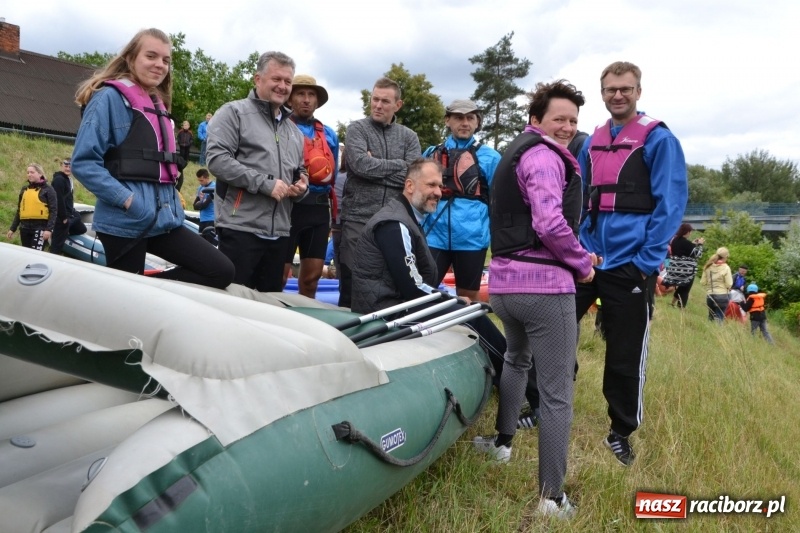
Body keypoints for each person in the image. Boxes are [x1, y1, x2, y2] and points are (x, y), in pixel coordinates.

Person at [472, 80, 598, 519]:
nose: (566, 127)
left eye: (573, 121)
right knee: (557, 392)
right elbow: (548, 223)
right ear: (537, 119)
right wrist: (582, 263)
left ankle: (502, 444)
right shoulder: (545, 156)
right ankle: (552, 498)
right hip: (544, 291)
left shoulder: (515, 151)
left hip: (505, 286)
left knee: (516, 361)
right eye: (558, 118)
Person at [574, 61, 688, 466]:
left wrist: (646, 262)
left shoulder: (658, 140)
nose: (617, 95)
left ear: (638, 91)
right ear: (602, 93)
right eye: (610, 90)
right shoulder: (593, 140)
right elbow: (584, 196)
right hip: (588, 259)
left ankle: (620, 431)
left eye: (625, 89)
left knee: (624, 352)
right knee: (552, 330)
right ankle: (539, 404)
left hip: (630, 265)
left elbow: (671, 205)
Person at [71, 28, 234, 289]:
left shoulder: (156, 103)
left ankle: (147, 288)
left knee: (221, 271)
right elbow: (83, 163)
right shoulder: (108, 99)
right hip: (125, 222)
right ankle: (133, 289)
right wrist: (128, 201)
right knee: (128, 304)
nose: (160, 65)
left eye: (166, 60)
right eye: (151, 56)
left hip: (165, 221)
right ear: (130, 58)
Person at [350, 158, 506, 367]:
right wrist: (455, 301)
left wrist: (454, 300)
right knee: (470, 316)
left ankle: (510, 373)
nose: (439, 192)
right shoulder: (395, 224)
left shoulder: (408, 218)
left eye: (441, 186)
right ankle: (521, 378)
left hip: (398, 306)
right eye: (431, 185)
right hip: (386, 314)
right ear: (409, 185)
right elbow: (412, 287)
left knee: (472, 309)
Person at [206, 51, 308, 292]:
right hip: (241, 228)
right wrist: (265, 184)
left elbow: (300, 170)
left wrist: (302, 185)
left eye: (287, 81)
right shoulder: (233, 113)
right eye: (276, 79)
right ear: (258, 79)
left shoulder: (295, 133)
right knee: (231, 302)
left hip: (280, 234)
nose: (282, 86)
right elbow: (217, 160)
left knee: (267, 308)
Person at [338, 77, 422, 307]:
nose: (377, 105)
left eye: (385, 101)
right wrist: (399, 164)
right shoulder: (357, 129)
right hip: (358, 218)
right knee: (353, 283)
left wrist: (377, 164)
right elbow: (361, 166)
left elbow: (413, 177)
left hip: (393, 221)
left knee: (391, 281)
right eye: (375, 99)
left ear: (398, 105)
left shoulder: (409, 136)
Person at [422, 99, 500, 301]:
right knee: (422, 292)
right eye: (458, 117)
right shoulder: (430, 154)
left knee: (468, 296)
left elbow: (499, 202)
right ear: (448, 120)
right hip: (434, 236)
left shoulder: (490, 157)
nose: (464, 123)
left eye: (470, 118)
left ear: (477, 122)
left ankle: (468, 332)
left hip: (471, 239)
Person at [281, 74, 339, 298]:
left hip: (318, 210)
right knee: (280, 275)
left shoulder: (329, 134)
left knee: (311, 279)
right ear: (290, 99)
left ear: (317, 101)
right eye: (300, 94)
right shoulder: (281, 127)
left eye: (311, 95)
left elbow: (332, 175)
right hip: (289, 208)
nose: (306, 99)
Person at [7, 163, 57, 250]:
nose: (29, 174)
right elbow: (20, 210)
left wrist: (49, 229)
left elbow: (53, 210)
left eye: (32, 172)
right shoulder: (24, 190)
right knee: (26, 254)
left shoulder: (48, 190)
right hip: (24, 228)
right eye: (28, 172)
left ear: (40, 174)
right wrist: (12, 228)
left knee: (36, 254)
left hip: (40, 228)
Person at [50, 157, 86, 255]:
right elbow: (58, 200)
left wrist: (72, 212)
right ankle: (53, 259)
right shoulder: (59, 180)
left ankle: (62, 234)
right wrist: (64, 217)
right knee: (56, 247)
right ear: (61, 166)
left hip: (69, 214)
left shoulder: (68, 179)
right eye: (66, 166)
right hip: (61, 218)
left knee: (81, 227)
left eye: (70, 166)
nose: (68, 168)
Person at [665, 222, 704, 308]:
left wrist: (693, 244)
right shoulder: (687, 243)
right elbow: (698, 254)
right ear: (687, 232)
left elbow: (684, 250)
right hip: (687, 270)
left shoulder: (674, 241)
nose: (690, 234)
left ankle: (672, 303)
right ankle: (681, 308)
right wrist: (700, 245)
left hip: (676, 268)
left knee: (681, 287)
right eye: (690, 232)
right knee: (686, 289)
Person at [700, 247, 733, 322]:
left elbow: (703, 282)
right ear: (726, 257)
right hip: (722, 295)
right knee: (719, 317)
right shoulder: (726, 268)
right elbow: (729, 284)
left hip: (710, 295)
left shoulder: (708, 266)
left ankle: (708, 332)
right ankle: (718, 332)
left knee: (710, 317)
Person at [330, 144, 347, 279]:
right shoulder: (353, 179)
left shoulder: (337, 177)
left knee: (339, 263)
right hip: (348, 223)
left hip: (336, 223)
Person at [193, 168, 216, 238]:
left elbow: (205, 205)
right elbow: (194, 206)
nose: (200, 182)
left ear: (207, 178)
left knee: (210, 243)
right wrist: (200, 204)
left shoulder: (214, 187)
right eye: (199, 180)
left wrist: (200, 203)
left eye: (202, 180)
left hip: (211, 220)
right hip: (202, 219)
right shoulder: (200, 188)